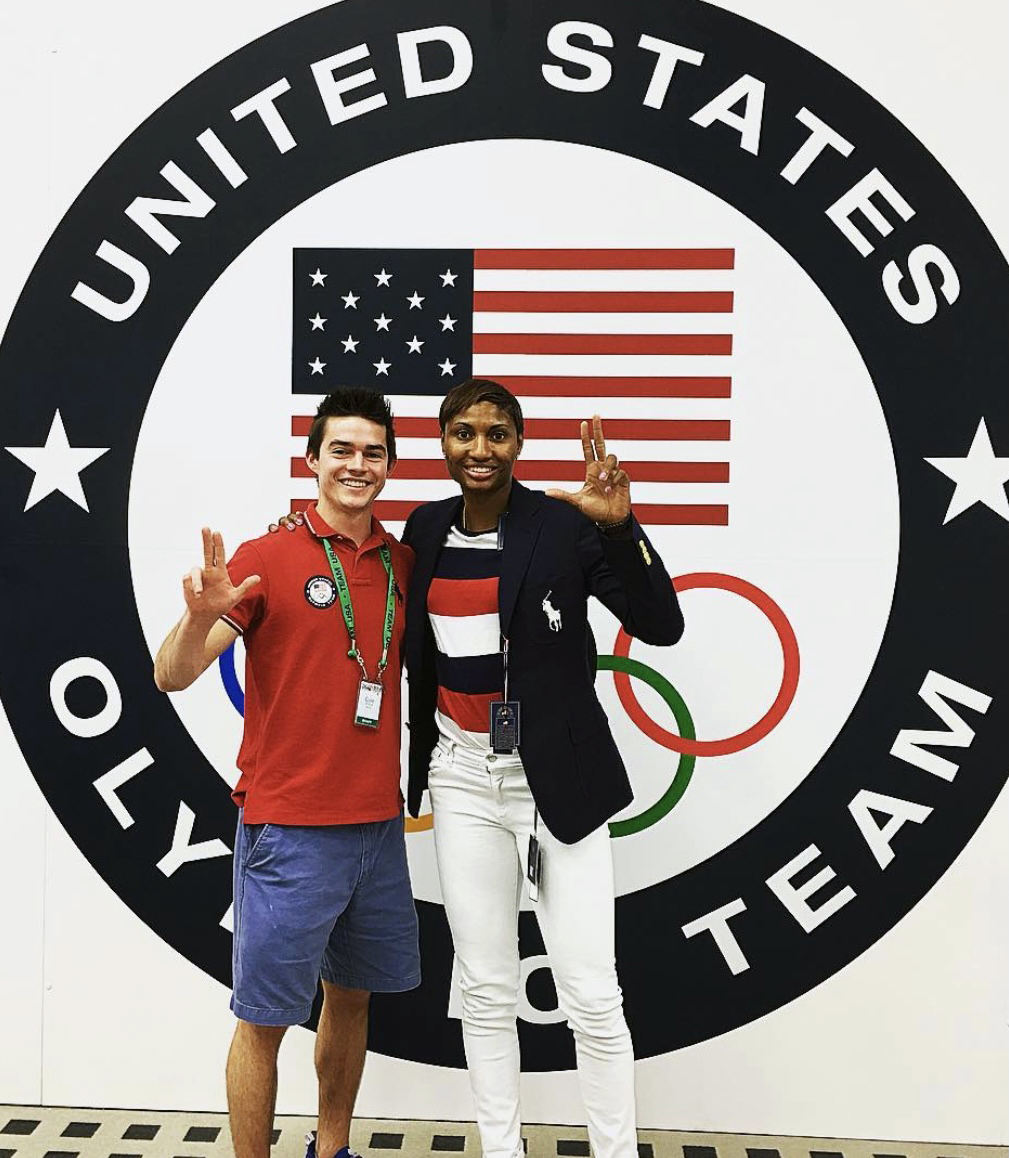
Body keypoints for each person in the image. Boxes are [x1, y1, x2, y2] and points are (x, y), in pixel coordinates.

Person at [401, 378, 684, 1158]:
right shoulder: (422, 529)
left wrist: (622, 529)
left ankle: (614, 1151)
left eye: (496, 434)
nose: (479, 449)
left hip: (557, 778)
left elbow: (661, 625)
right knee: (484, 989)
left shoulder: (563, 525)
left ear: (518, 443)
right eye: (463, 433)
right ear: (443, 442)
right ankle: (501, 1149)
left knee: (591, 992)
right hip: (461, 778)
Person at [153, 388, 419, 1158]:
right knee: (263, 1019)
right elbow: (171, 675)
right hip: (289, 832)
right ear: (312, 460)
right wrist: (200, 619)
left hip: (376, 826)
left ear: (389, 465)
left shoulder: (401, 561)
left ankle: (330, 1148)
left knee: (351, 1001)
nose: (357, 465)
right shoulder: (264, 558)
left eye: (373, 451)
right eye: (341, 449)